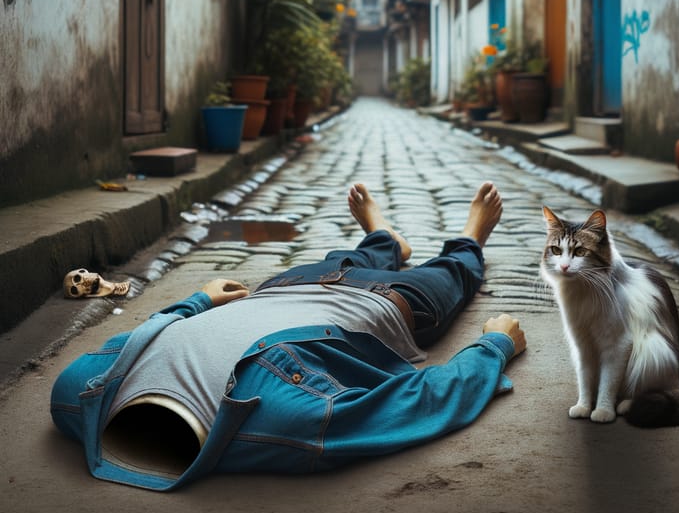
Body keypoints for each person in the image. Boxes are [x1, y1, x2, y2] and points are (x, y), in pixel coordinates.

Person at [51, 182, 526, 491]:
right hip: (392, 302)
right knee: (454, 271)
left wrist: (198, 300)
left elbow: (149, 331)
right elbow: (419, 402)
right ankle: (471, 235)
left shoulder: (76, 395)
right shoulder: (287, 422)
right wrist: (493, 347)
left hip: (281, 288)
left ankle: (384, 238)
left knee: (343, 259)